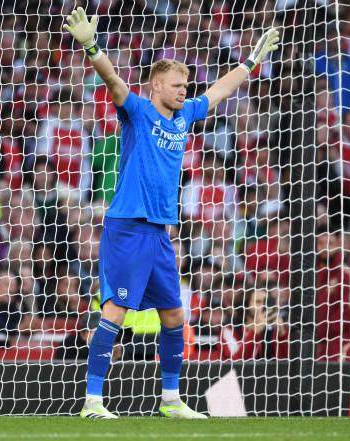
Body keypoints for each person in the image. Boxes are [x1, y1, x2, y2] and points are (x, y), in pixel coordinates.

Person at [63, 6, 280, 419]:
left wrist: (251, 61)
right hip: (127, 227)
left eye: (186, 85)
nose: (184, 91)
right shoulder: (137, 111)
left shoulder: (184, 117)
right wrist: (92, 46)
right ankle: (92, 401)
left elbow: (218, 91)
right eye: (177, 85)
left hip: (160, 232)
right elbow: (113, 80)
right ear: (156, 86)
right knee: (114, 313)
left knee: (175, 314)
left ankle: (171, 400)